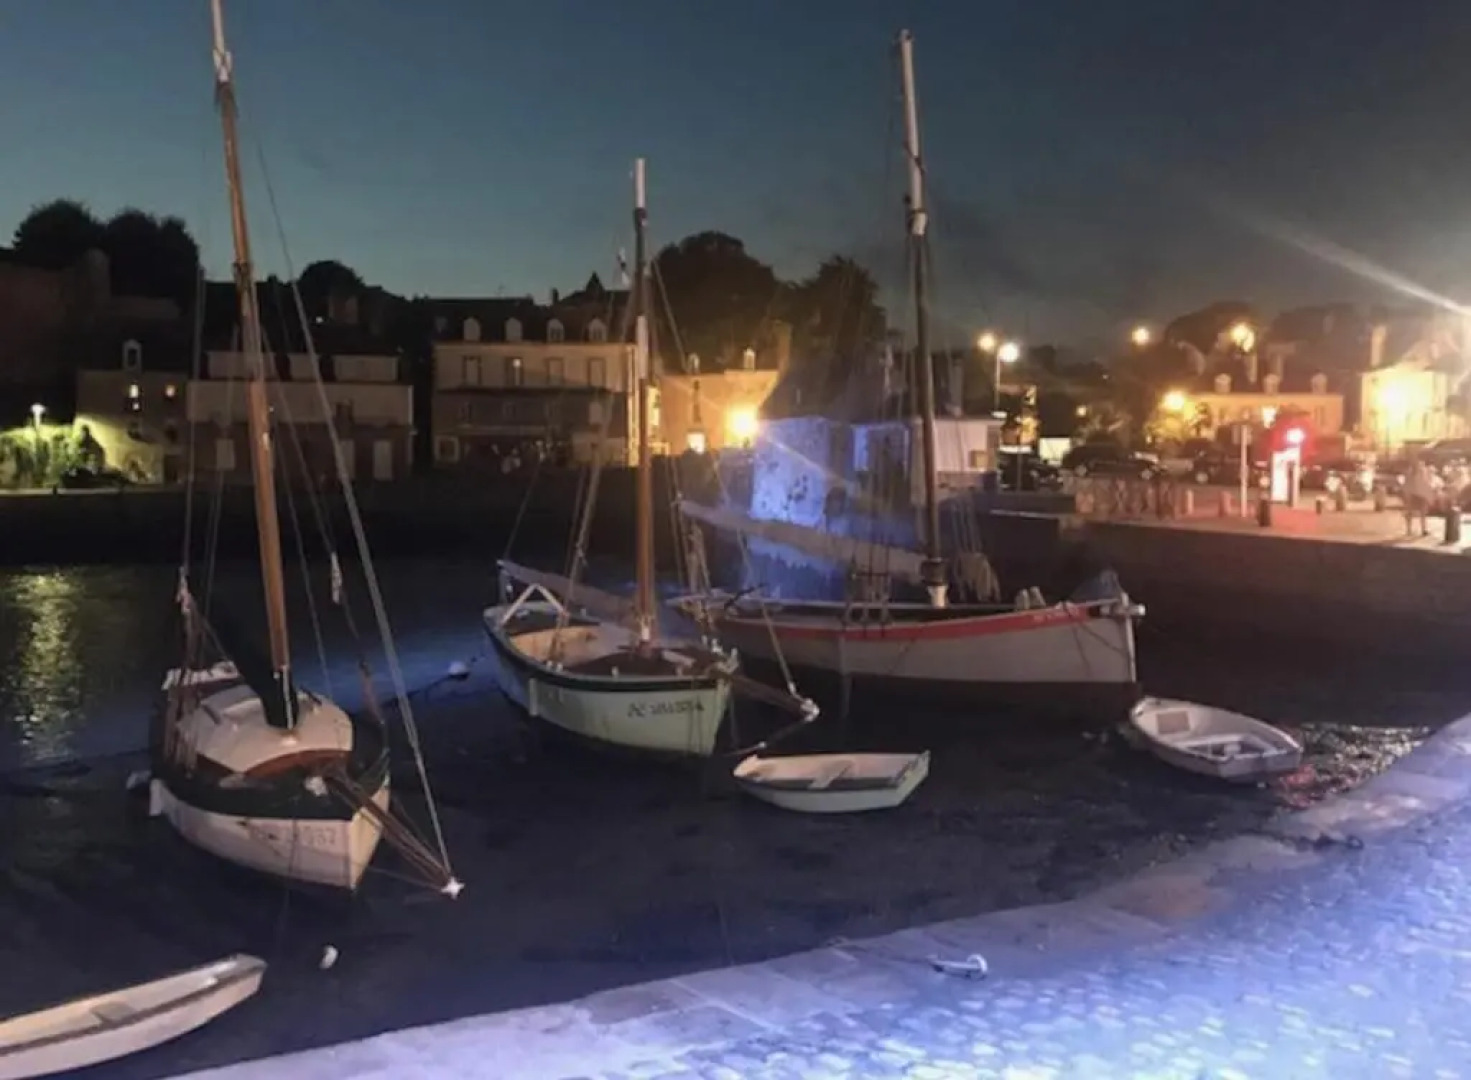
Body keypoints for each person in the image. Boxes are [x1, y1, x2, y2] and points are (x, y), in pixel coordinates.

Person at [1403, 458, 1438, 537]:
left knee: (1416, 512)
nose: (1420, 466)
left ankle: (1414, 530)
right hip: (1416, 494)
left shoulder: (1418, 472)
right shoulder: (1415, 472)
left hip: (1416, 494)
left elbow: (1424, 483)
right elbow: (1425, 483)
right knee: (1417, 513)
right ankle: (1419, 530)